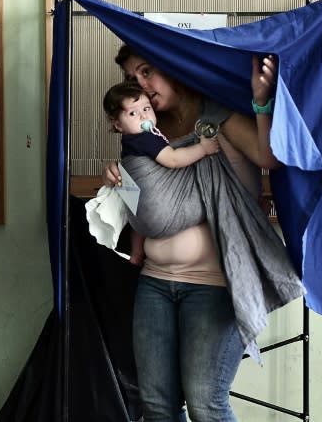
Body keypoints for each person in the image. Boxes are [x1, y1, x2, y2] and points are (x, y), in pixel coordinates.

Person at [103, 44, 281, 422]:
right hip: (154, 284)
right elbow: (143, 205)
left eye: (146, 71)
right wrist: (118, 177)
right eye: (132, 78)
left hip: (213, 286)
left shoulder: (216, 117)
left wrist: (261, 102)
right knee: (156, 406)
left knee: (207, 403)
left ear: (173, 65)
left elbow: (268, 157)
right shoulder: (145, 133)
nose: (141, 84)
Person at [102, 82, 220, 265]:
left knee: (137, 205)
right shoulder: (146, 138)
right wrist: (203, 149)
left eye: (147, 108)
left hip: (140, 219)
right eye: (133, 113)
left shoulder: (130, 140)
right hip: (158, 215)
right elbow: (173, 160)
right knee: (144, 201)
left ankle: (136, 252)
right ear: (117, 124)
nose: (143, 116)